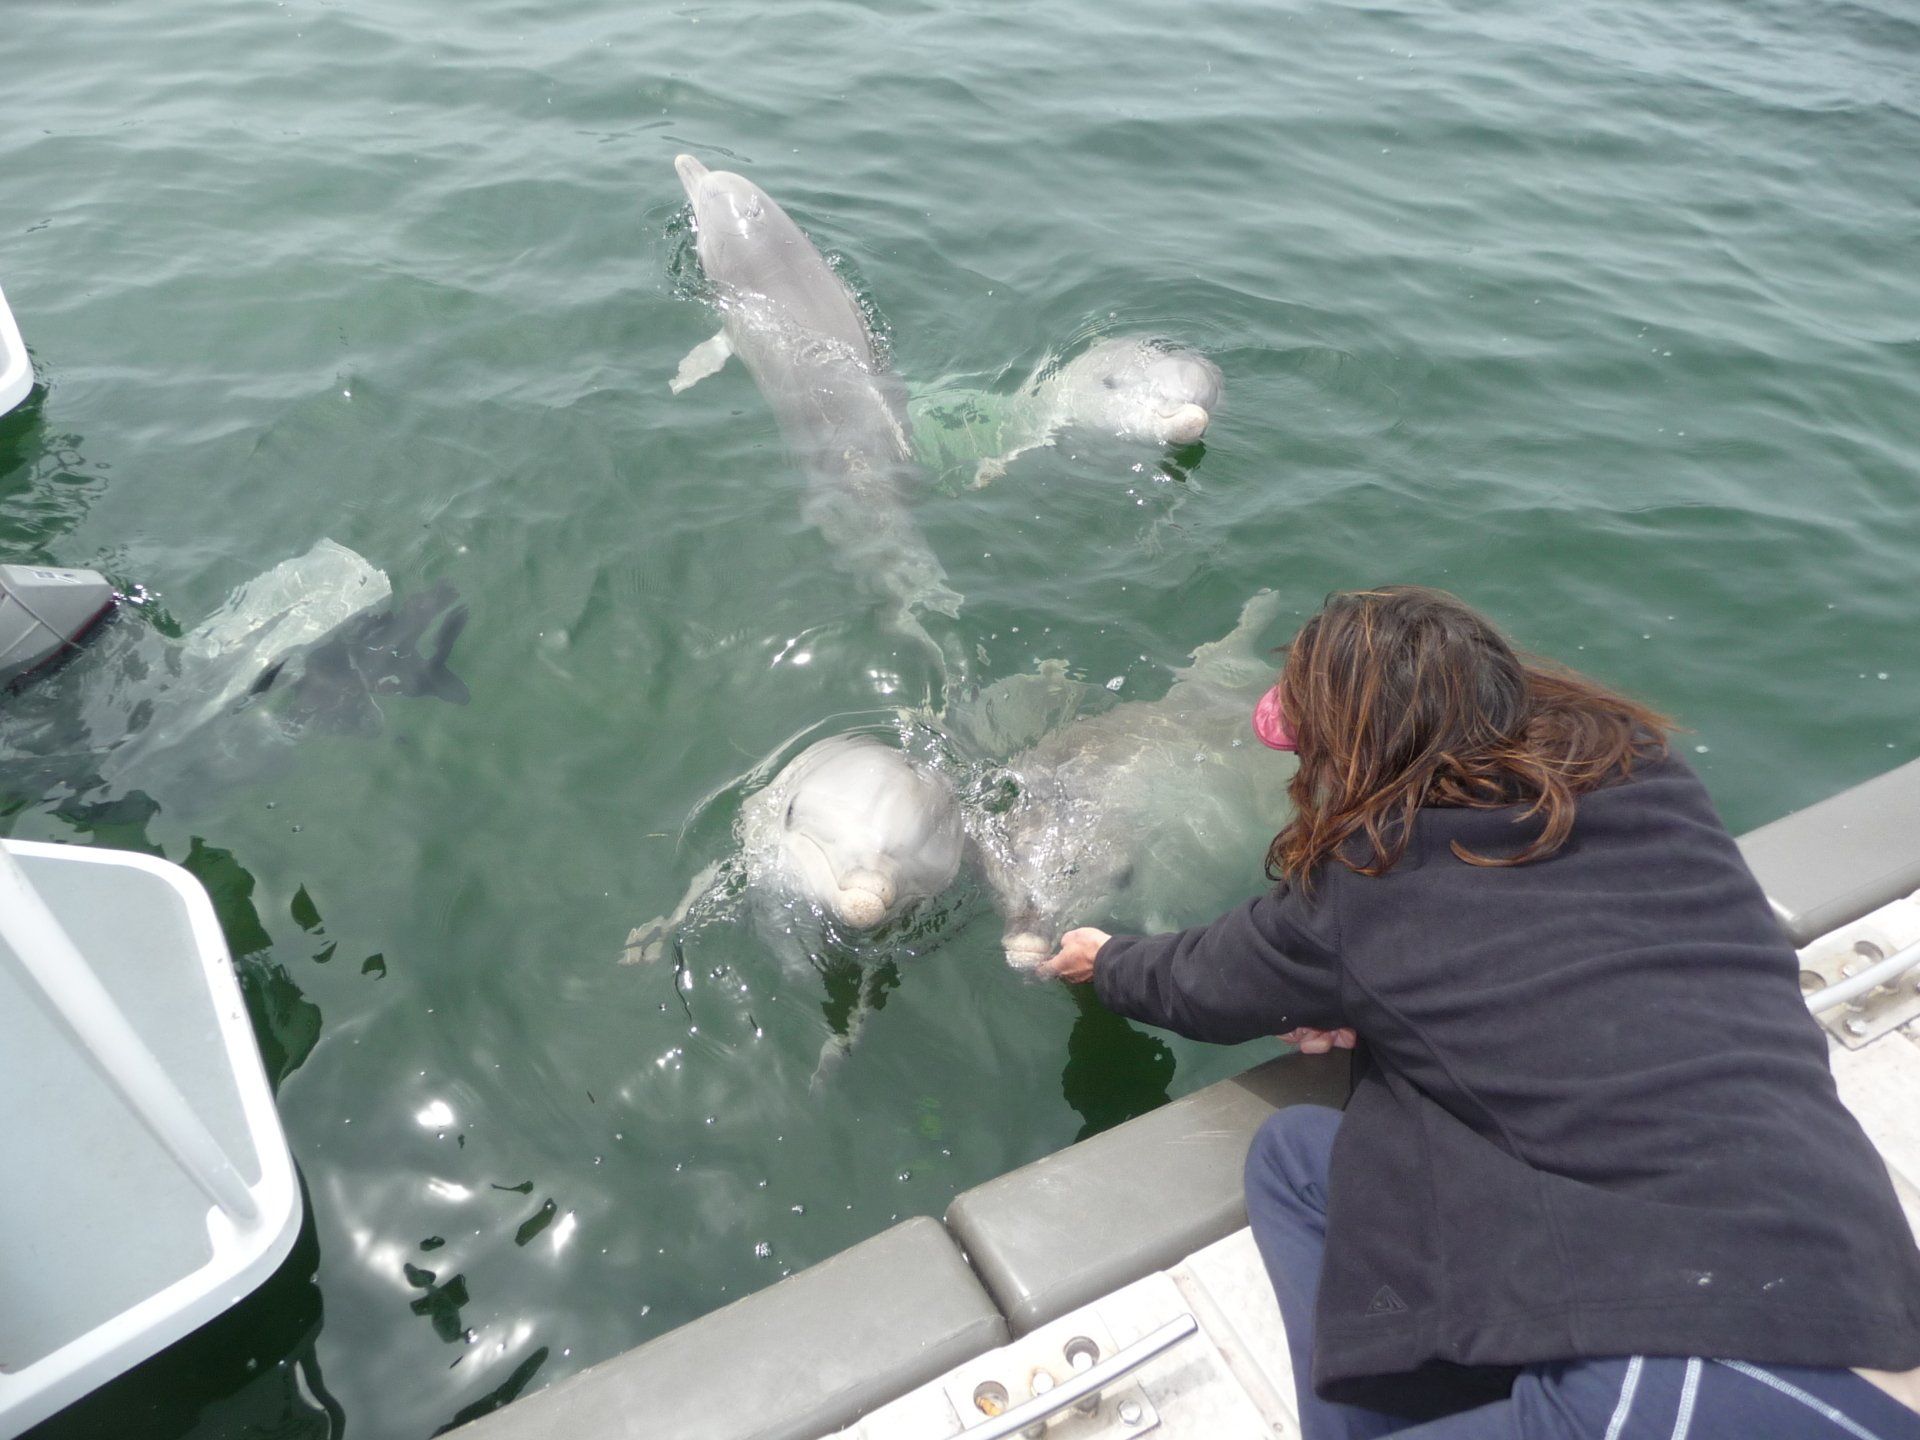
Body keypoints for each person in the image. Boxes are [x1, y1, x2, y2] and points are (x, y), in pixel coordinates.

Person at [1040, 586, 1920, 1439]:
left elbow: (1202, 984)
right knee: (1302, 1160)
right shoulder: (1647, 777)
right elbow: (1535, 961)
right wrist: (1381, 1002)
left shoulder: (1368, 881)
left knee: (1312, 1161)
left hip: (1722, 1373)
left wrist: (1106, 959)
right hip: (1866, 1280)